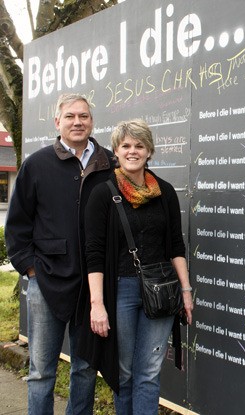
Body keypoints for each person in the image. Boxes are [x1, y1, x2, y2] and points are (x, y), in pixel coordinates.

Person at [5, 93, 114, 415]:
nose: (77, 122)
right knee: (41, 371)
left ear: (92, 121)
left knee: (85, 367)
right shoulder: (36, 165)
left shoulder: (109, 163)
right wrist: (30, 269)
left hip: (94, 286)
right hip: (46, 281)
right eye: (70, 117)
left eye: (83, 116)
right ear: (58, 122)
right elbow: (18, 224)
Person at [77, 119, 193, 415]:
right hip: (121, 291)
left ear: (149, 151)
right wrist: (97, 304)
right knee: (125, 372)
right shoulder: (103, 193)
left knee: (149, 372)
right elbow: (93, 253)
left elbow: (176, 247)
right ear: (116, 150)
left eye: (139, 145)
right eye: (126, 146)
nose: (133, 151)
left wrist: (186, 292)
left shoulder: (164, 191)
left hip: (161, 292)